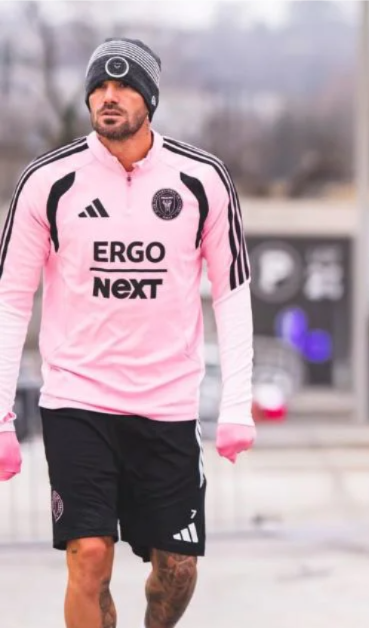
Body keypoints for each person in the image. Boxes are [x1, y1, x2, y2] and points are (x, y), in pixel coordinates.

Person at [0, 38, 256, 628]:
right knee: (89, 557)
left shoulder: (202, 179)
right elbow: (12, 299)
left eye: (124, 87)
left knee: (178, 569)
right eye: (99, 87)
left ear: (151, 99)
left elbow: (234, 295)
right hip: (77, 401)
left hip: (166, 406)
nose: (109, 98)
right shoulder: (48, 181)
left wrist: (237, 404)